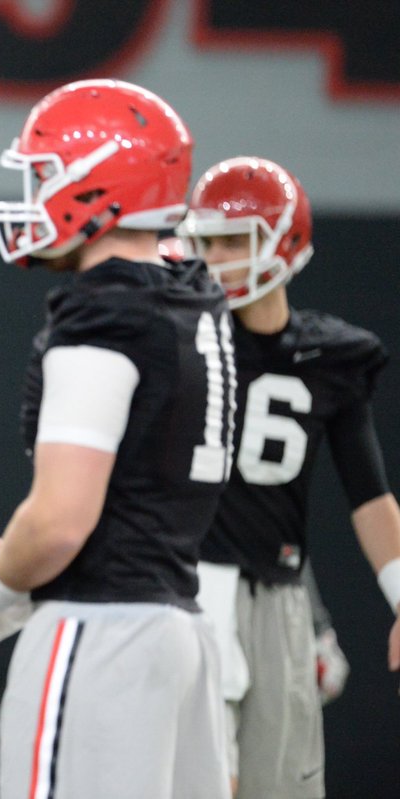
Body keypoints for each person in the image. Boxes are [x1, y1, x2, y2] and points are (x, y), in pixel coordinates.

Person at [0, 79, 233, 799]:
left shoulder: (105, 313)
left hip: (102, 631)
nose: (34, 197)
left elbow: (62, 521)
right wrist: (24, 554)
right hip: (180, 628)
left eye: (45, 176)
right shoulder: (193, 297)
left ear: (97, 184)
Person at [177, 155, 400, 798]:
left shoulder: (331, 356)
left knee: (282, 787)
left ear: (285, 240)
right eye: (207, 242)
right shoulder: (179, 339)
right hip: (184, 584)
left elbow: (370, 497)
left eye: (233, 241)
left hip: (279, 593)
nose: (216, 259)